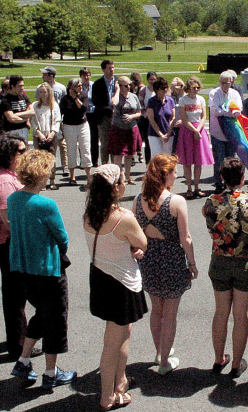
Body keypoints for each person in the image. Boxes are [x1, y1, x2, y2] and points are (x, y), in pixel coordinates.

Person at [6, 150, 76, 390]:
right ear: (42, 174)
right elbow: (62, 238)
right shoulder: (46, 204)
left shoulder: (13, 199)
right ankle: (50, 372)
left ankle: (24, 361)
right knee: (56, 320)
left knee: (42, 314)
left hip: (23, 270)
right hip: (48, 271)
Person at [83, 164, 148, 411]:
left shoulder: (90, 213)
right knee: (111, 344)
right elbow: (141, 242)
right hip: (121, 285)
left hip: (101, 279)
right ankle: (107, 397)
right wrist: (136, 247)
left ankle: (120, 381)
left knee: (124, 332)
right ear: (116, 188)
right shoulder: (124, 218)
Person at [202, 158, 248, 378]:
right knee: (241, 315)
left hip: (219, 260)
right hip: (246, 261)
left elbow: (211, 227)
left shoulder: (211, 201)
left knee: (221, 312)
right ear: (242, 177)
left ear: (221, 177)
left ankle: (219, 359)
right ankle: (236, 364)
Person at [135, 155, 196, 375]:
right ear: (165, 175)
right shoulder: (176, 201)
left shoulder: (138, 200)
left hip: (149, 260)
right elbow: (185, 238)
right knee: (170, 314)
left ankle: (160, 352)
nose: (177, 174)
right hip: (171, 260)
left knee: (156, 310)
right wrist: (192, 263)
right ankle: (164, 363)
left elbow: (136, 235)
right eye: (174, 171)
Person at [0, 135, 32, 360]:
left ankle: (18, 338)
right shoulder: (4, 181)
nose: (25, 153)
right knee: (15, 296)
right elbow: (8, 219)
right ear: (8, 155)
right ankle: (18, 344)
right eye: (21, 151)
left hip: (10, 241)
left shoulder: (8, 176)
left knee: (16, 294)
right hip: (9, 242)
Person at [176, 76, 214, 198]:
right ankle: (189, 188)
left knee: (198, 161)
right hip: (187, 130)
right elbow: (183, 118)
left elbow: (204, 117)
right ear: (188, 88)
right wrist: (193, 130)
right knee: (187, 161)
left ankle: (197, 186)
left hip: (199, 129)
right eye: (193, 87)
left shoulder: (201, 100)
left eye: (198, 87)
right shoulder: (183, 100)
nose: (196, 90)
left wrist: (198, 130)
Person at [209, 71, 245, 192]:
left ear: (231, 82)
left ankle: (230, 184)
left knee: (231, 160)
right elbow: (215, 111)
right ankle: (218, 184)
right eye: (223, 83)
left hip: (231, 133)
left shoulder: (235, 94)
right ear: (219, 82)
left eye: (228, 83)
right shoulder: (214, 93)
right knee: (219, 160)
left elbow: (239, 109)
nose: (225, 85)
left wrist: (225, 110)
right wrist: (229, 111)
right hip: (217, 132)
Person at [108, 76, 142, 184]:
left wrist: (132, 117)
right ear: (121, 86)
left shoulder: (133, 97)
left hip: (131, 128)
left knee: (130, 154)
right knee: (118, 154)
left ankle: (127, 177)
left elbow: (139, 112)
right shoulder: (117, 96)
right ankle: (117, 178)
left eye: (130, 85)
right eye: (126, 85)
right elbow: (114, 103)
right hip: (118, 128)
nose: (129, 87)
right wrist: (117, 89)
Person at [60, 78, 93, 185]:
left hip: (82, 125)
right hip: (69, 126)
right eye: (77, 86)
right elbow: (62, 111)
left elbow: (84, 108)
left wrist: (75, 98)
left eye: (80, 85)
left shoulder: (83, 95)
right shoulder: (65, 99)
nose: (80, 87)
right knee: (71, 150)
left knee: (85, 148)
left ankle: (89, 175)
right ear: (71, 87)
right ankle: (72, 176)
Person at [32, 82, 62, 190]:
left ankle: (52, 180)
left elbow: (57, 120)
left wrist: (53, 132)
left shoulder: (54, 106)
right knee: (39, 159)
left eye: (44, 92)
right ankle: (41, 182)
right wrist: (38, 133)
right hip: (38, 136)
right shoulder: (35, 106)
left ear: (49, 93)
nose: (42, 94)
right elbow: (33, 121)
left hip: (51, 136)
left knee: (51, 159)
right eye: (40, 92)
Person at [91, 60, 118, 166]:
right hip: (104, 118)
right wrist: (109, 110)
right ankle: (105, 167)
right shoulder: (97, 84)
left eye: (113, 67)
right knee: (105, 144)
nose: (112, 70)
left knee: (116, 144)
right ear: (103, 69)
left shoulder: (118, 82)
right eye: (109, 68)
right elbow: (96, 101)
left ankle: (115, 167)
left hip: (117, 117)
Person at [0, 75, 35, 141]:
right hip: (11, 132)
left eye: (23, 86)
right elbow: (12, 119)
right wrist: (26, 118)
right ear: (12, 86)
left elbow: (32, 112)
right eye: (19, 86)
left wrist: (17, 114)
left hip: (24, 130)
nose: (22, 88)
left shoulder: (23, 96)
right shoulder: (6, 100)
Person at [145, 76, 176, 157]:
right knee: (156, 157)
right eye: (162, 88)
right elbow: (151, 119)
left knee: (167, 158)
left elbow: (173, 117)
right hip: (154, 134)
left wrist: (168, 133)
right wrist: (161, 135)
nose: (165, 90)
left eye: (166, 87)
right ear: (157, 89)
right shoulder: (151, 101)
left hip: (169, 134)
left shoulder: (170, 100)